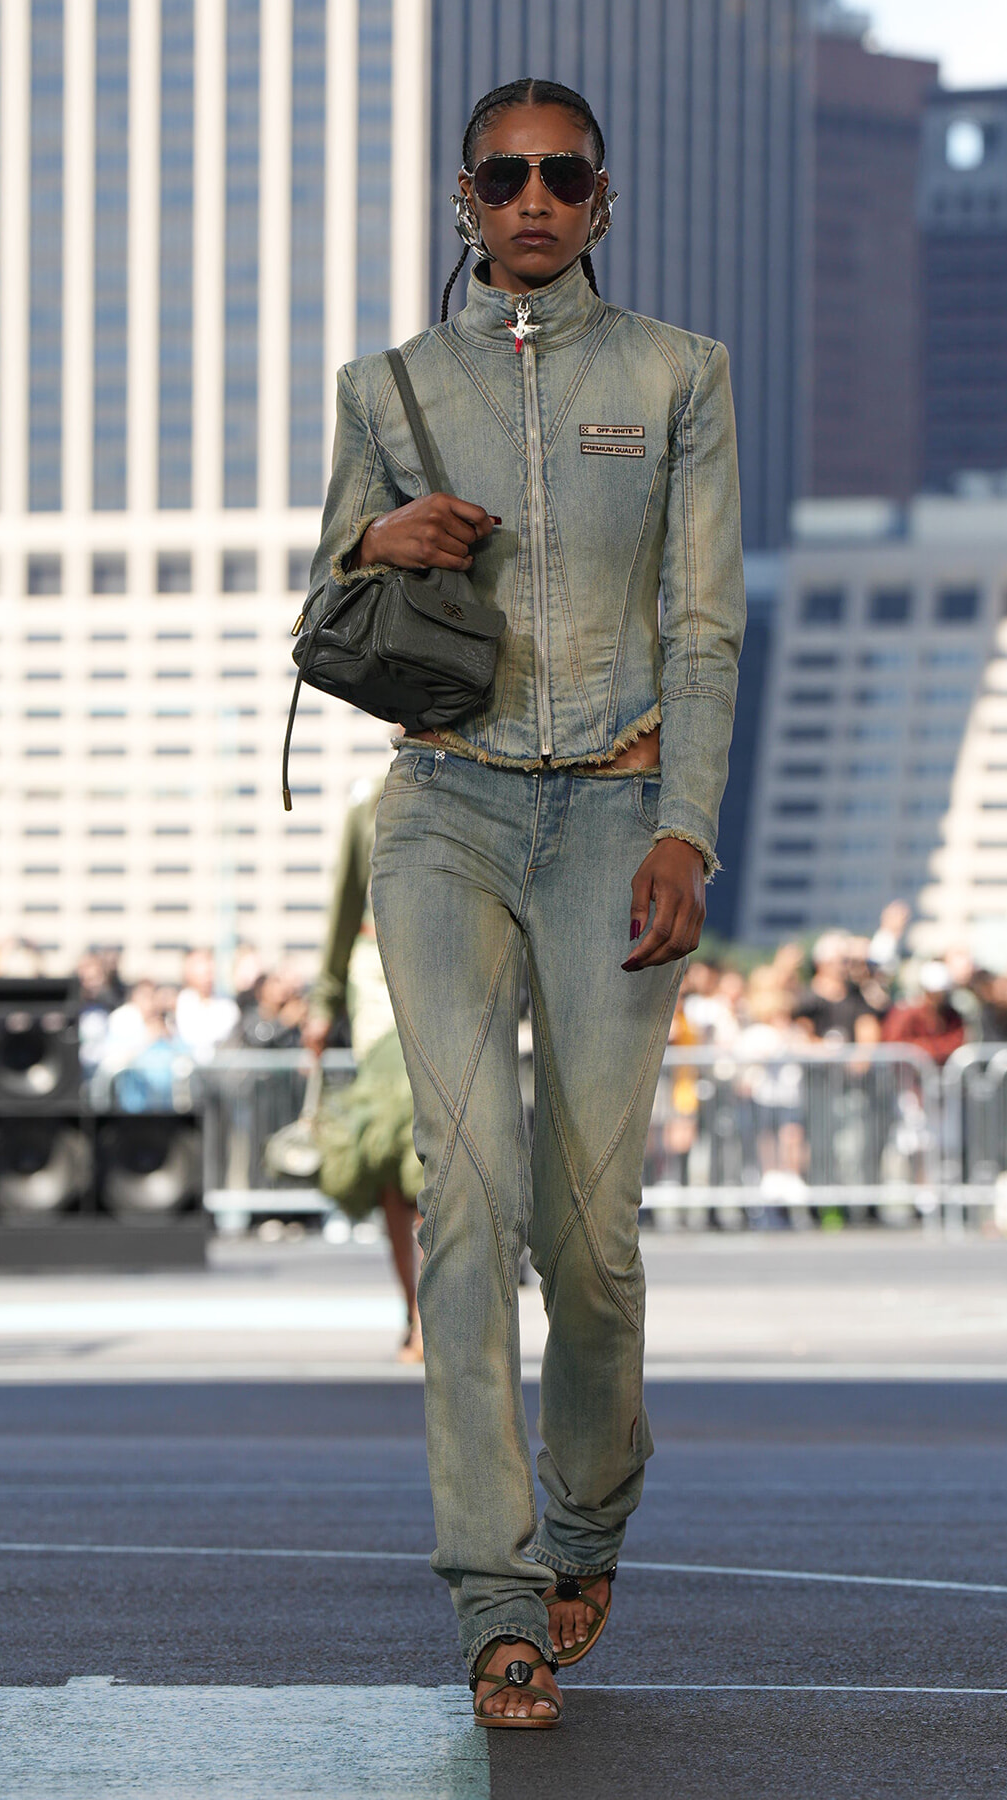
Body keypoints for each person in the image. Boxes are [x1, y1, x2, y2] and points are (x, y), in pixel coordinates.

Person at [311, 78, 743, 1727]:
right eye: (507, 178)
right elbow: (325, 608)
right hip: (445, 814)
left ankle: (592, 1511)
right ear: (466, 204)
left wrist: (684, 831)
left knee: (593, 1237)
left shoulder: (679, 375)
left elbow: (705, 623)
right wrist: (377, 537)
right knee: (470, 1204)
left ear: (603, 199)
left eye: (564, 176)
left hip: (622, 813)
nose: (535, 201)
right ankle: (496, 1597)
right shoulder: (386, 388)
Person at [303, 777, 424, 1363]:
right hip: (377, 981)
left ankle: (441, 1314)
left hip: (457, 968)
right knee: (393, 1149)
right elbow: (344, 905)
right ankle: (419, 1311)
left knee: (441, 1153)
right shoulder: (366, 802)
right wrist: (324, 1001)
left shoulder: (485, 768)